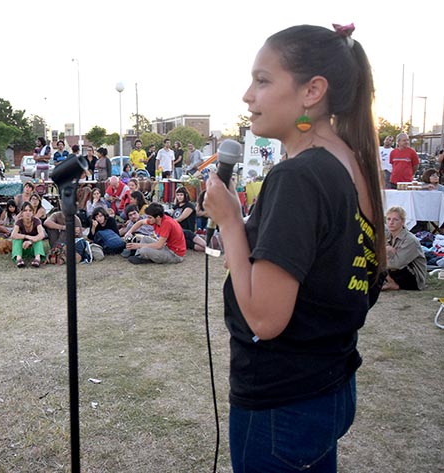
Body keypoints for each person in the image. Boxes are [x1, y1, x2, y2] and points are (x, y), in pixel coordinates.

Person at [203, 24, 386, 473]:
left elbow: (265, 319)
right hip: (326, 385)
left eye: (263, 80)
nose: (248, 95)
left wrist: (229, 221)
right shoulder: (352, 162)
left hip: (283, 403)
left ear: (312, 91)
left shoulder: (299, 177)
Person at [382, 206, 426, 291]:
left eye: (395, 220)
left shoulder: (410, 240)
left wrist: (384, 252)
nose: (391, 222)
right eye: (388, 219)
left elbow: (396, 264)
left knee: (377, 264)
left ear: (402, 222)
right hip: (394, 270)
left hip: (412, 278)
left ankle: (393, 283)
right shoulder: (388, 235)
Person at [10, 201, 46, 268]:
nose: (28, 213)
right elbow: (13, 235)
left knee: (38, 239)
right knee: (17, 239)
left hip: (33, 248)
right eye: (25, 210)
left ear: (33, 212)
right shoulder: (19, 222)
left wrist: (30, 241)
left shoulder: (36, 221)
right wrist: (27, 237)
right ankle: (19, 259)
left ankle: (37, 259)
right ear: (22, 213)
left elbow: (42, 234)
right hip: (22, 248)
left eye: (30, 210)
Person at [172, 186, 206, 252]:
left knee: (188, 238)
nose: (179, 197)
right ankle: (208, 250)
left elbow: (180, 218)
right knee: (187, 243)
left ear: (186, 195)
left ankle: (208, 248)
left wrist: (169, 223)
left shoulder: (189, 206)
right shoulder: (176, 206)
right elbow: (171, 214)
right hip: (177, 230)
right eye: (178, 195)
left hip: (187, 230)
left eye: (181, 195)